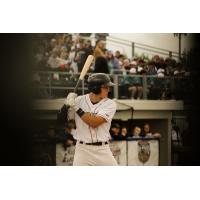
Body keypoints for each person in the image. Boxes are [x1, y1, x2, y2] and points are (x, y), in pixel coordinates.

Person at [64, 73, 117, 166]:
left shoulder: (110, 104)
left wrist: (76, 107)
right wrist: (65, 106)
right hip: (82, 150)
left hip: (103, 150)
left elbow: (94, 122)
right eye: (106, 87)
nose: (108, 90)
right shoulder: (79, 100)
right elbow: (61, 120)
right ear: (96, 88)